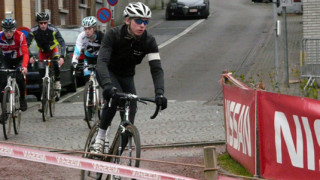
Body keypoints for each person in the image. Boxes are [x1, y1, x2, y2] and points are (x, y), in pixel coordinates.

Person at [91, 2, 168, 154]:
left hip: (127, 76)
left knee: (129, 119)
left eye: (146, 21)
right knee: (114, 98)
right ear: (128, 20)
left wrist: (160, 93)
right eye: (138, 20)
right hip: (108, 72)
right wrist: (106, 85)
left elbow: (156, 69)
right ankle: (100, 137)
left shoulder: (149, 41)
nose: (142, 25)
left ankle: (115, 157)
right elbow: (102, 62)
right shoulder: (113, 35)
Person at [26, 12, 65, 106]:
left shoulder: (53, 29)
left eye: (45, 23)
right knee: (41, 75)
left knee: (55, 63)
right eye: (41, 23)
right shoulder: (34, 30)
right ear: (38, 24)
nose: (43, 25)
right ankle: (43, 102)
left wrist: (62, 57)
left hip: (53, 50)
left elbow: (62, 42)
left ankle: (57, 81)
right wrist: (31, 56)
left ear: (48, 22)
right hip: (42, 52)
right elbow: (26, 44)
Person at [0, 18, 29, 114]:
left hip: (18, 59)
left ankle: (22, 99)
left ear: (14, 30)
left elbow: (25, 53)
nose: (8, 33)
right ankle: (3, 111)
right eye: (6, 31)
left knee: (20, 78)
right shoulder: (0, 36)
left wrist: (24, 66)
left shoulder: (20, 36)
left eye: (11, 31)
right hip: (6, 59)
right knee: (2, 81)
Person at [72, 16, 104, 83]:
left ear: (94, 28)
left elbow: (106, 50)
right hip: (88, 58)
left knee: (101, 78)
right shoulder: (81, 36)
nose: (87, 31)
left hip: (99, 58)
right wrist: (75, 60)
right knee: (87, 77)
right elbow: (78, 47)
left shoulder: (101, 36)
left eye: (89, 29)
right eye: (85, 29)